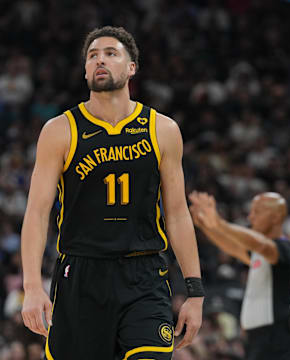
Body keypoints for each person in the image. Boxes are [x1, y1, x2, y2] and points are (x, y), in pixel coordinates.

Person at [21, 26, 204, 360]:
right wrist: (32, 287)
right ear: (86, 71)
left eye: (110, 53)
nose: (99, 60)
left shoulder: (161, 129)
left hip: (143, 275)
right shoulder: (60, 130)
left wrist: (195, 292)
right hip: (81, 274)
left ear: (131, 67)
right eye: (92, 56)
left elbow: (177, 213)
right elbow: (36, 212)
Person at [189, 191, 290, 360]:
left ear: (276, 217)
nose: (250, 217)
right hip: (257, 340)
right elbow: (232, 247)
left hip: (277, 339)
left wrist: (220, 223)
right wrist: (207, 225)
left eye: (256, 212)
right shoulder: (260, 254)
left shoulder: (286, 249)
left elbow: (261, 244)